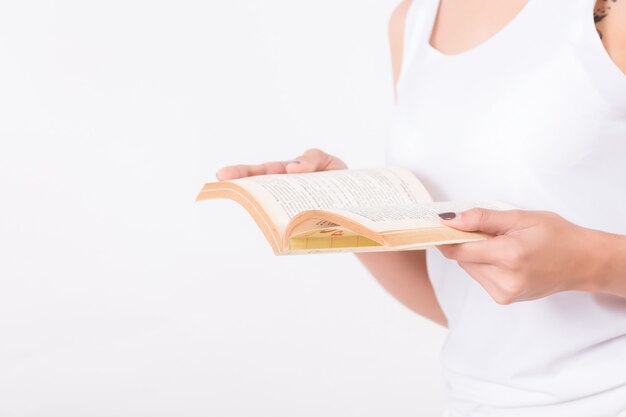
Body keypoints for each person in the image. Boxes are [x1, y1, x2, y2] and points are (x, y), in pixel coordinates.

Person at [216, 0, 626, 415]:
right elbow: (457, 303)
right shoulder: (412, 21)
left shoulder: (607, 13)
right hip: (474, 400)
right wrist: (345, 211)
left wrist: (589, 261)